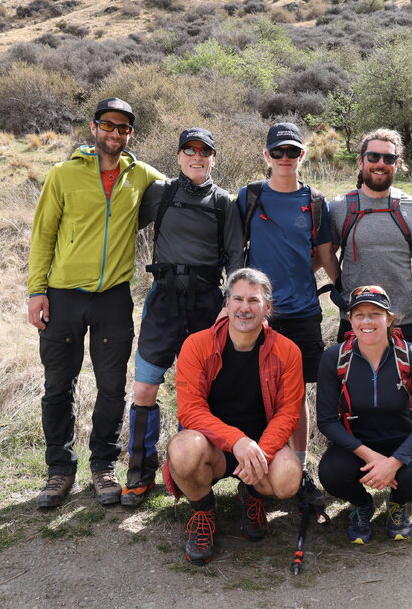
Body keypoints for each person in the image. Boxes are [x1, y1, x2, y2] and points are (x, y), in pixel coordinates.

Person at [27, 98, 164, 508]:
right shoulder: (63, 174)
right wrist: (36, 291)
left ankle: (103, 466)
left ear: (130, 135)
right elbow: (43, 235)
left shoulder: (140, 176)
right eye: (108, 125)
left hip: (114, 298)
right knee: (57, 386)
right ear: (94, 127)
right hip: (63, 295)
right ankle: (59, 470)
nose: (115, 134)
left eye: (123, 128)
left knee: (111, 387)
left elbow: (182, 189)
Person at [124, 128, 244, 507]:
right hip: (162, 301)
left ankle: (183, 473)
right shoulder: (161, 193)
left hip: (207, 304)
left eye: (204, 151)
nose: (197, 157)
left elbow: (237, 257)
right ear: (178, 157)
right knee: (144, 388)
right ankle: (139, 473)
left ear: (213, 158)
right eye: (189, 150)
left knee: (198, 392)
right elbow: (122, 220)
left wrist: (232, 303)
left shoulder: (226, 203)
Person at [163, 268, 304, 566]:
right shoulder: (197, 345)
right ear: (226, 304)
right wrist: (237, 441)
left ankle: (252, 493)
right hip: (212, 447)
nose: (244, 307)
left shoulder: (287, 351)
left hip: (261, 446)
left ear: (267, 308)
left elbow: (288, 412)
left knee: (289, 478)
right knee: (183, 449)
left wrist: (260, 454)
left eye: (253, 300)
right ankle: (203, 511)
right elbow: (190, 410)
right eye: (237, 299)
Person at [236, 122, 340, 501]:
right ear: (266, 156)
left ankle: (296, 468)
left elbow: (325, 252)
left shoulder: (314, 202)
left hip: (302, 312)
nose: (284, 159)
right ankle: (257, 471)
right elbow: (236, 254)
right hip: (258, 314)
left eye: (292, 152)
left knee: (294, 397)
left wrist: (342, 286)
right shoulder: (248, 197)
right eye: (277, 152)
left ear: (302, 156)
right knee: (253, 392)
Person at [316, 285, 412, 543]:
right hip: (356, 444)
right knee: (331, 473)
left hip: (402, 442)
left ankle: (397, 503)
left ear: (389, 318)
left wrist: (393, 463)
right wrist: (372, 458)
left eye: (375, 313)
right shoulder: (334, 358)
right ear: (350, 320)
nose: (367, 321)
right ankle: (362, 504)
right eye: (359, 314)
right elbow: (326, 421)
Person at [328, 129, 412, 344]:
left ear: (397, 163)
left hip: (403, 322)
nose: (380, 163)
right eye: (373, 156)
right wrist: (343, 287)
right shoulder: (339, 207)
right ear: (361, 162)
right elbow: (326, 255)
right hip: (355, 322)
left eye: (389, 158)